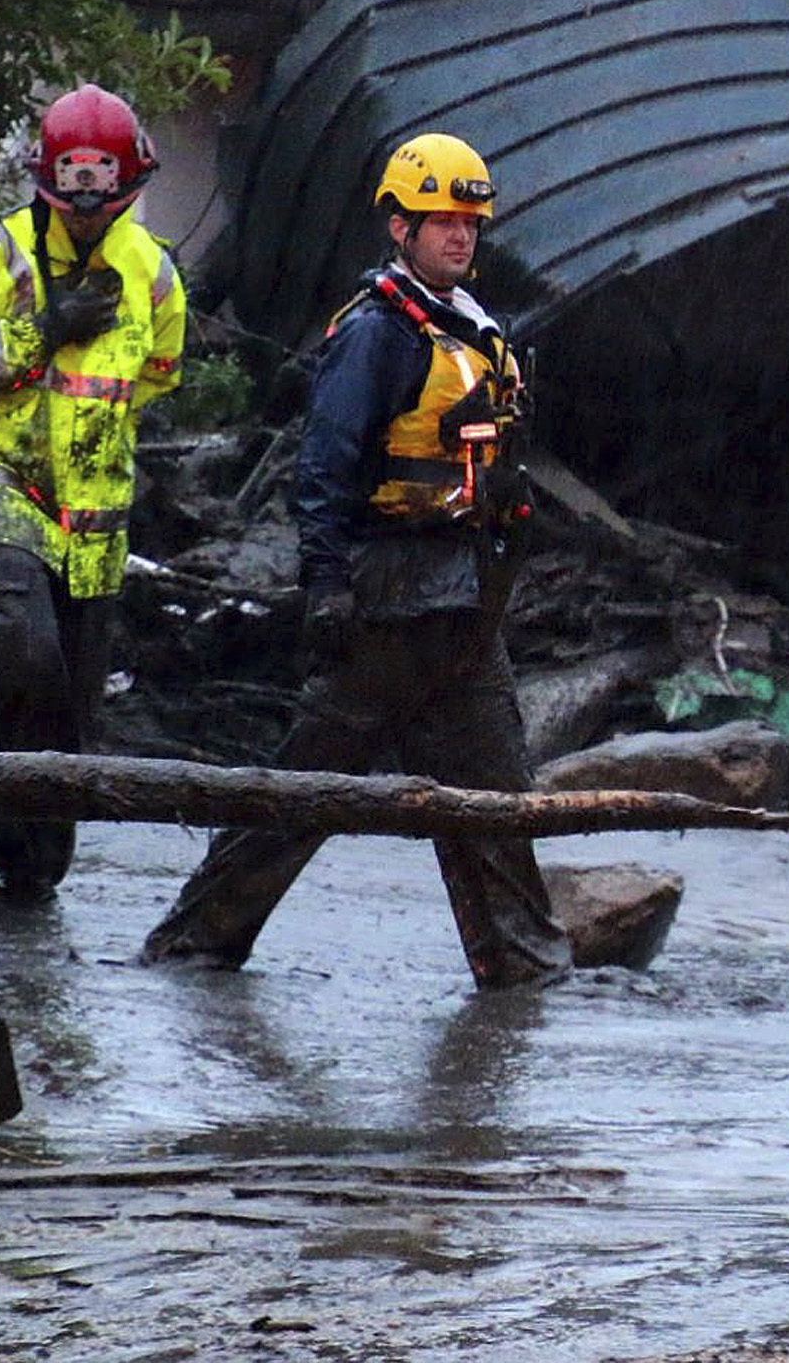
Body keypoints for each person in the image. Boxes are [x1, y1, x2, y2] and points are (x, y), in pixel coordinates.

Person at [142, 134, 570, 988]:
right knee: (305, 793)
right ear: (399, 227)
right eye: (442, 221)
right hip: (387, 603)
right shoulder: (377, 333)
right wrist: (327, 585)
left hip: (463, 607)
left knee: (496, 801)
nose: (461, 237)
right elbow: (326, 467)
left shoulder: (480, 331)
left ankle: (528, 976)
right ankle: (191, 948)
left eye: (471, 223)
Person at [0, 84, 183, 904]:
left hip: (93, 510)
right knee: (18, 647)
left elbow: (158, 375)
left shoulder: (154, 273)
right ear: (47, 183)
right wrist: (41, 331)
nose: (92, 210)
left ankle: (28, 880)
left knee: (69, 707)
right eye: (76, 192)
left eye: (108, 191)